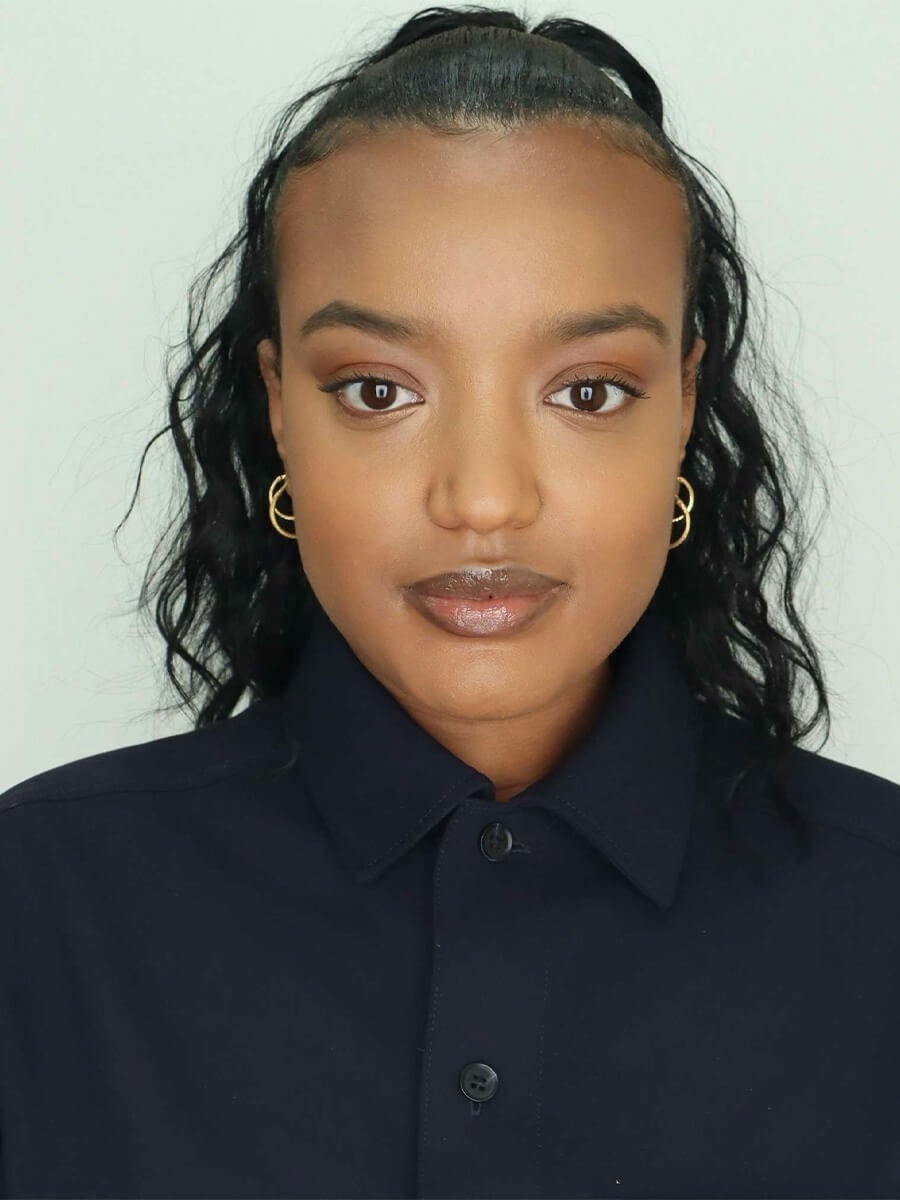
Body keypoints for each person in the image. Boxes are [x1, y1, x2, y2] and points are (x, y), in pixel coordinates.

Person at [2, 5, 898, 1197]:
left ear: (684, 403)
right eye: (378, 389)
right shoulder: (41, 905)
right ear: (280, 406)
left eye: (588, 391)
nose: (482, 500)